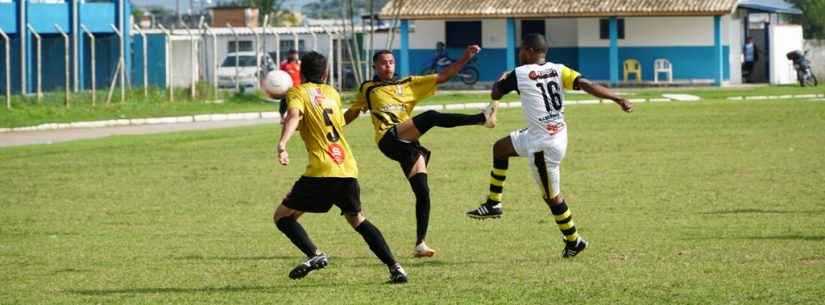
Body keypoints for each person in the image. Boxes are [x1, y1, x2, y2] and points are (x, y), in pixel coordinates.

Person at [465, 34, 633, 258]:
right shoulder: (558, 69)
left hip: (543, 146)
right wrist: (617, 99)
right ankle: (494, 203)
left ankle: (574, 241)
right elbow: (586, 84)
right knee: (501, 148)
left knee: (552, 197)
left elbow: (495, 93)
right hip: (552, 134)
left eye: (522, 49)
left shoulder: (519, 73)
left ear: (531, 51)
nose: (520, 53)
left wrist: (501, 78)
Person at [344, 45, 498, 258]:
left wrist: (465, 57)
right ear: (375, 66)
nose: (387, 66)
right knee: (431, 116)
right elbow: (352, 112)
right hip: (388, 138)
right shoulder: (368, 88)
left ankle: (420, 244)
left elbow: (444, 76)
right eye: (382, 63)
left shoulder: (409, 84)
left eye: (390, 62)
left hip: (408, 143)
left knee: (423, 192)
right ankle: (481, 118)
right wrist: (334, 128)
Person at [273, 51, 408, 283]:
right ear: (325, 73)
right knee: (358, 220)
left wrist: (283, 142)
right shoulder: (333, 93)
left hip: (320, 171)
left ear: (302, 72)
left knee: (283, 217)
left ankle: (315, 255)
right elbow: (328, 122)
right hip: (346, 167)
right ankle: (396, 268)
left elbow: (295, 115)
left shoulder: (297, 92)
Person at [278, 50, 302, 117]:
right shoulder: (284, 64)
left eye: (295, 54)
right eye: (292, 54)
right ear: (289, 55)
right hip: (286, 88)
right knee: (284, 103)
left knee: (296, 103)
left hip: (297, 88)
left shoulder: (300, 64)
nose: (294, 56)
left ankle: (298, 117)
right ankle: (282, 116)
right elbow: (280, 74)